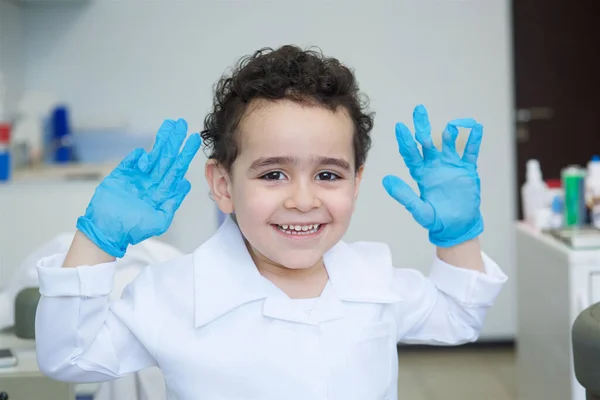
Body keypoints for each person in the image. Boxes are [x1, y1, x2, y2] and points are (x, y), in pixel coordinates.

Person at [35, 45, 507, 400]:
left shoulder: (374, 279)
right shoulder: (172, 294)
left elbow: (458, 317)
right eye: (273, 174)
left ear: (356, 182)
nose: (303, 200)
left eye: (327, 174)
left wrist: (459, 235)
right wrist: (95, 241)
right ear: (223, 185)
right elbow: (69, 357)